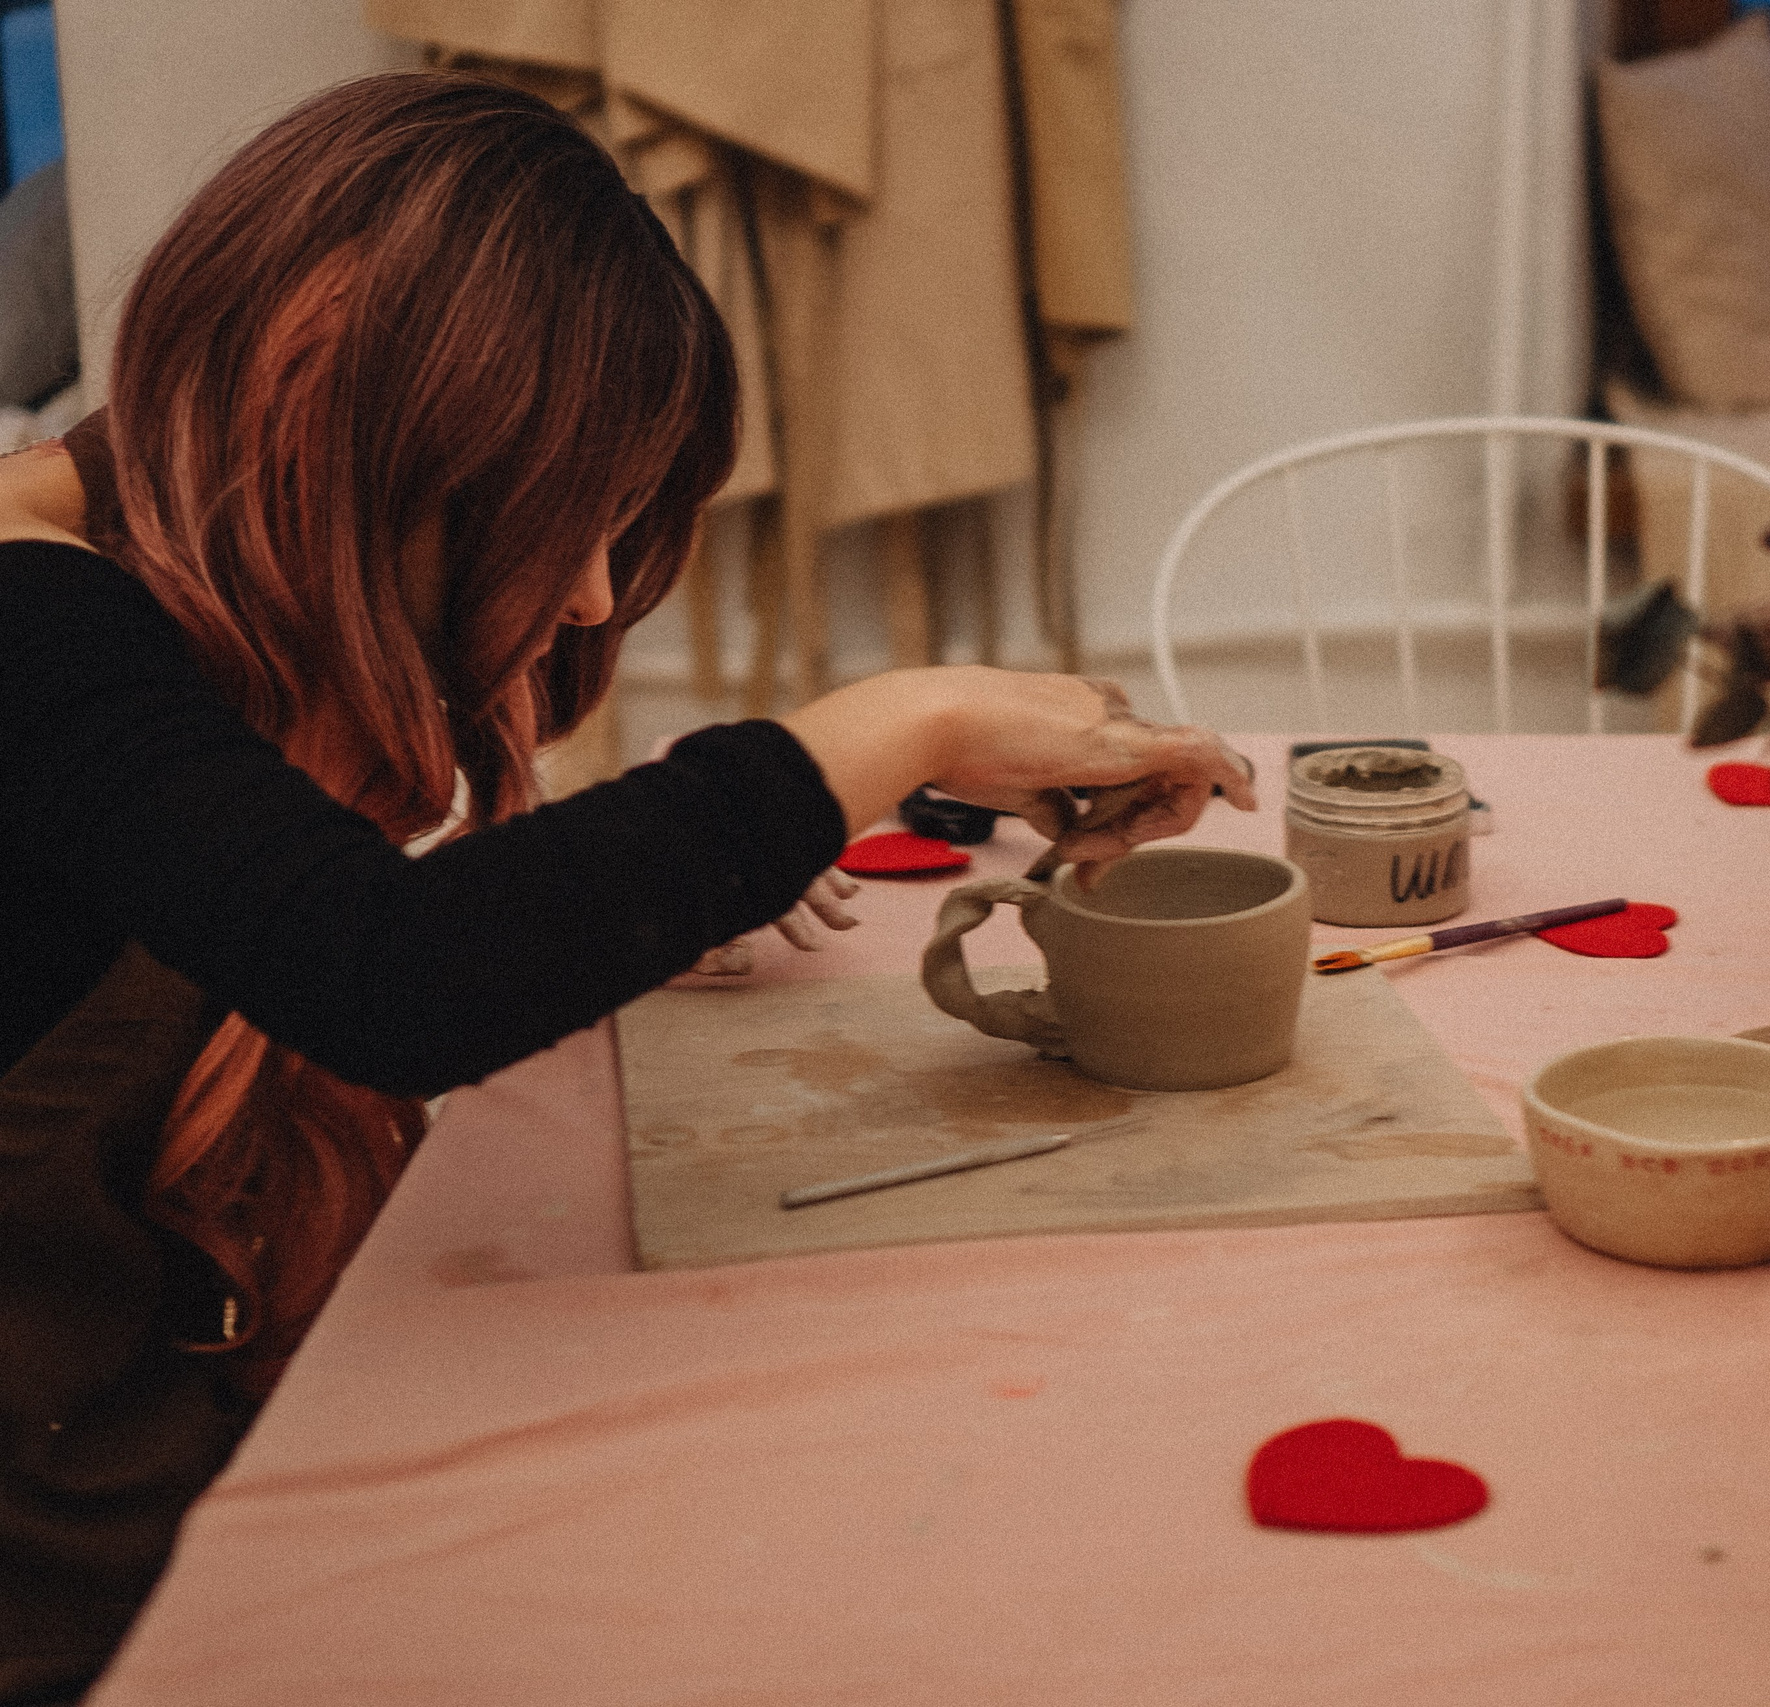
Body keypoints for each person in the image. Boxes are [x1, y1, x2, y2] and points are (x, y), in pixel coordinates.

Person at [0, 70, 1251, 1703]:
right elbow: (391, 978)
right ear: (363, 439)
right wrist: (892, 726)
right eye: (558, 519)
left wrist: (649, 890)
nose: (592, 588)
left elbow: (279, 896)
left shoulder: (168, 544)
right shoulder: (34, 615)